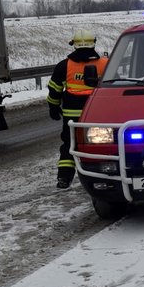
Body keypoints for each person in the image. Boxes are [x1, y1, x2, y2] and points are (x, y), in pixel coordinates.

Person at [47, 30, 108, 189]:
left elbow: (54, 90)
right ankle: (103, 175)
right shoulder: (105, 64)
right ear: (94, 42)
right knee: (100, 144)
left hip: (72, 117)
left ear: (73, 44)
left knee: (69, 145)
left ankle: (64, 178)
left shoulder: (64, 65)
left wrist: (53, 107)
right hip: (97, 114)